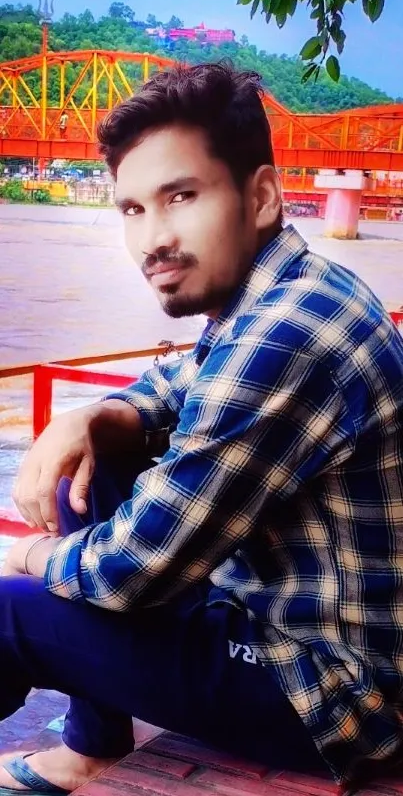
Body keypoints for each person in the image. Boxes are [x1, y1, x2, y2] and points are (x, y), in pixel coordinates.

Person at [0, 62, 403, 796]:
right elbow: (175, 386)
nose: (153, 238)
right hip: (281, 620)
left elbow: (130, 570)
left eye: (180, 197)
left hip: (333, 693)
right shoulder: (283, 291)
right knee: (106, 452)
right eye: (131, 210)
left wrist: (27, 554)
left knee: (7, 613)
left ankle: (87, 739)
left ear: (260, 196)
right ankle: (92, 745)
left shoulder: (285, 334)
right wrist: (90, 415)